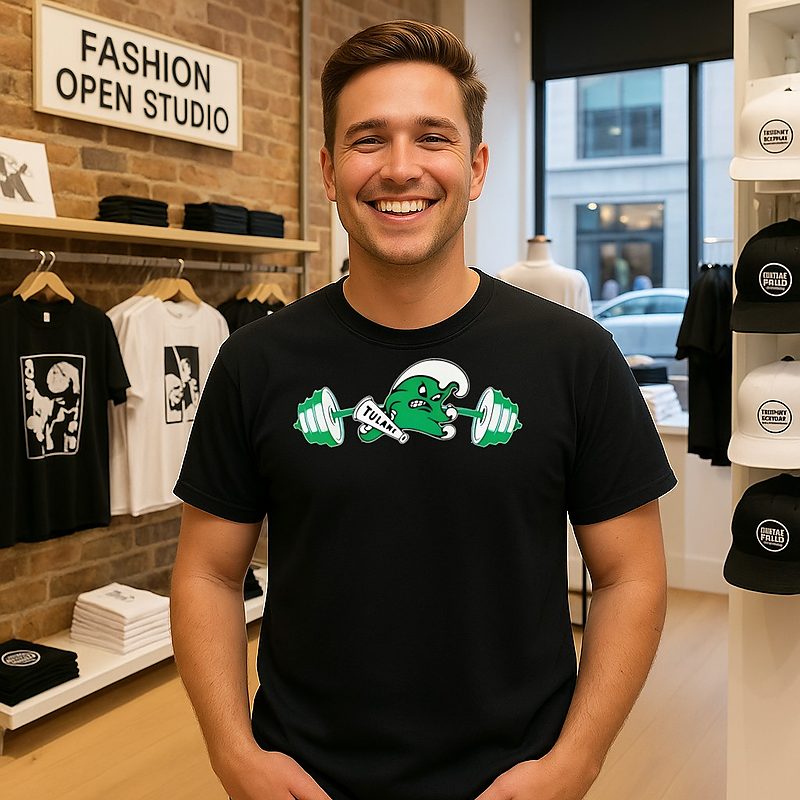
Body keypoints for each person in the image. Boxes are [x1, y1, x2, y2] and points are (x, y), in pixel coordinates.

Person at [170, 20, 676, 800]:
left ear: (476, 167)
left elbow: (629, 575)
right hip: (305, 778)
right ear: (329, 170)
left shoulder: (574, 356)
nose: (400, 168)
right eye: (368, 140)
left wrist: (577, 759)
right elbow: (207, 572)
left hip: (515, 779)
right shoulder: (256, 362)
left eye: (432, 137)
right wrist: (233, 752)